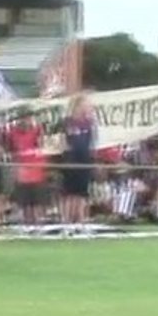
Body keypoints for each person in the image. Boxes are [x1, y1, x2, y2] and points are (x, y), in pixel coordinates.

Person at [61, 93, 97, 227]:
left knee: (82, 191)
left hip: (85, 158)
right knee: (70, 191)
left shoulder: (90, 124)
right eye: (86, 105)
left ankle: (80, 217)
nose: (88, 108)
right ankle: (67, 217)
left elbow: (92, 141)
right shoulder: (68, 122)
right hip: (71, 158)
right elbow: (65, 140)